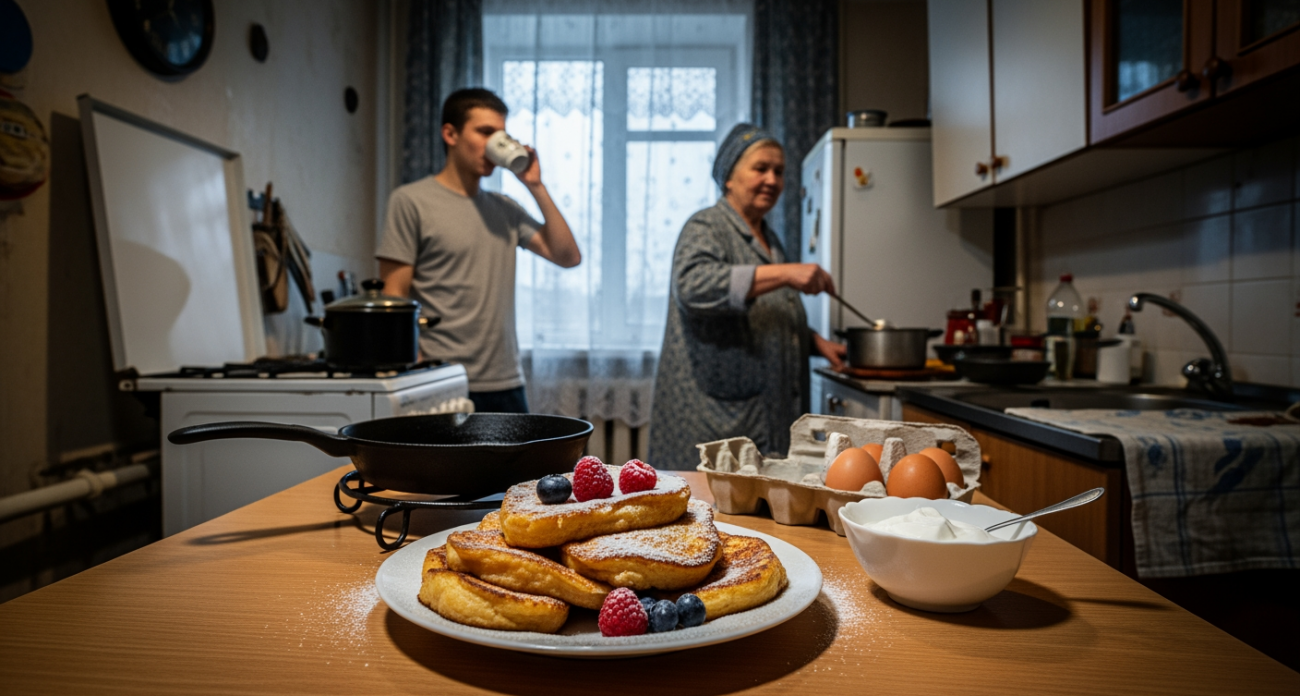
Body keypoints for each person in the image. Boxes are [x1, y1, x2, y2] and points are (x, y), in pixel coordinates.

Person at [649, 123, 846, 470]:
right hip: (718, 414)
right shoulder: (706, 226)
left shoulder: (769, 238)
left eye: (779, 172)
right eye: (761, 169)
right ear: (729, 177)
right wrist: (787, 272)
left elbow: (770, 313)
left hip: (766, 411)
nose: (772, 180)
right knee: (711, 510)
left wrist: (815, 343)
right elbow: (694, 286)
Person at [376, 88, 580, 413]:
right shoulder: (411, 201)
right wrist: (418, 372)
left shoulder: (505, 209)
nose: (492, 144)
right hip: (441, 382)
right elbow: (395, 296)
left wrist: (534, 185)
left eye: (500, 135)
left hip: (506, 383)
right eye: (484, 132)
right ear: (450, 134)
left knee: (524, 467)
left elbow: (568, 257)